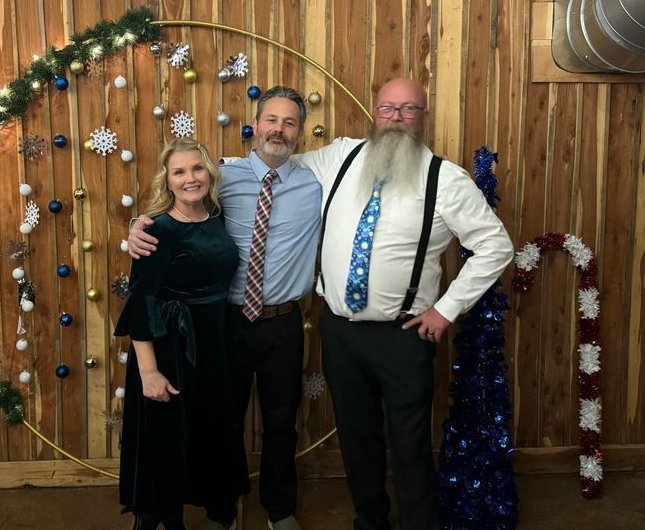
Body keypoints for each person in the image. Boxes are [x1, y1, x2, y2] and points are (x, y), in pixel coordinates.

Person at [295, 77, 514, 530]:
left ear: (423, 118)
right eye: (387, 108)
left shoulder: (445, 178)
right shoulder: (341, 156)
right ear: (374, 113)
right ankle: (369, 521)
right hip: (339, 330)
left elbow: (495, 244)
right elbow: (273, 169)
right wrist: (165, 209)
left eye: (408, 109)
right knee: (358, 440)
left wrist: (445, 310)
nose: (396, 118)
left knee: (410, 444)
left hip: (403, 336)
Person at [129, 86, 321, 530]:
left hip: (283, 322)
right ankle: (222, 506)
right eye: (271, 119)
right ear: (256, 124)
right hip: (224, 324)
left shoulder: (316, 183)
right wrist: (137, 225)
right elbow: (176, 208)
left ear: (299, 133)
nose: (279, 129)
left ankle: (280, 508)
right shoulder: (222, 176)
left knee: (281, 422)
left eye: (289, 122)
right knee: (221, 420)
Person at [115, 138, 248, 530]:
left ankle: (219, 512)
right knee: (169, 442)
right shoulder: (158, 231)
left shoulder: (218, 217)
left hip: (216, 345)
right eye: (179, 172)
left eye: (197, 168)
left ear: (209, 172)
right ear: (168, 181)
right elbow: (140, 305)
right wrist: (149, 373)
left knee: (213, 433)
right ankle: (164, 519)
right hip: (170, 348)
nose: (190, 178)